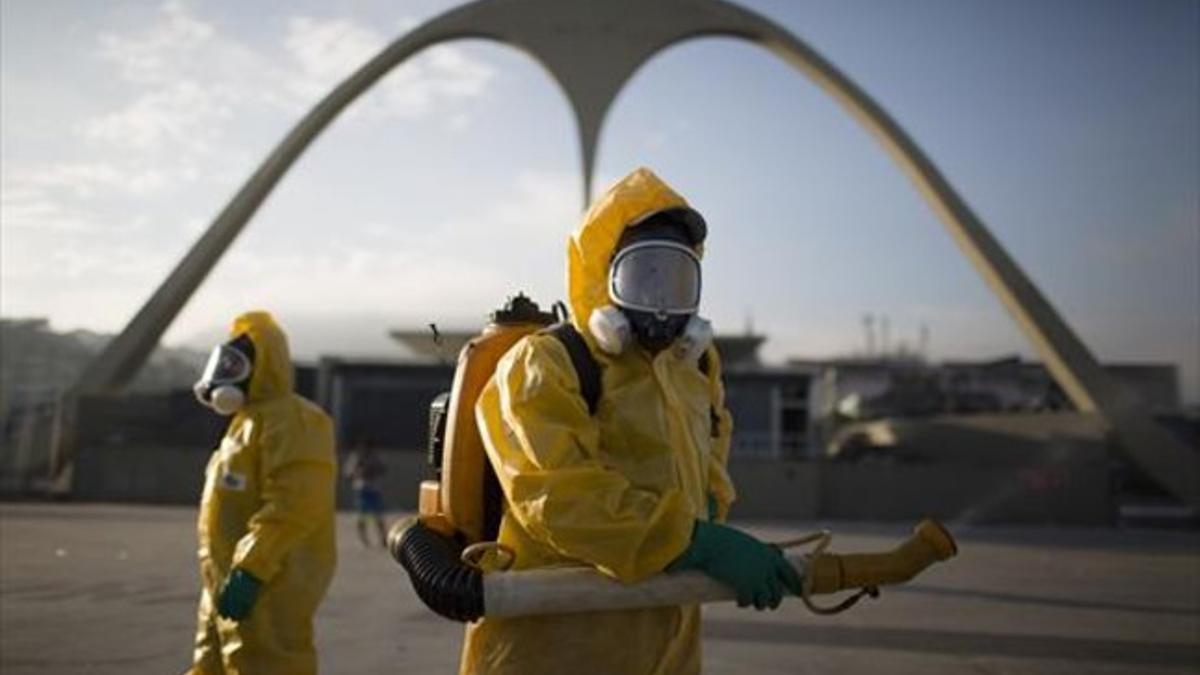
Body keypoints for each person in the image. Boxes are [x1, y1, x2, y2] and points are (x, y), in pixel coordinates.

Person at [462, 168, 801, 674]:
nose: (662, 303)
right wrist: (696, 543)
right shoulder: (547, 364)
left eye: (678, 279)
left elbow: (710, 476)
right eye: (645, 275)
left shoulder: (695, 371)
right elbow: (557, 497)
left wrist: (708, 529)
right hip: (554, 646)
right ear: (603, 276)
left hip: (668, 642)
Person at [187, 311, 337, 675]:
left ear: (263, 365)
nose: (224, 372)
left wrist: (252, 569)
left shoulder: (294, 421)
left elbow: (295, 504)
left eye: (236, 364)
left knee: (267, 664)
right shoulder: (243, 424)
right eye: (223, 362)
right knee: (211, 662)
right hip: (225, 580)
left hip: (270, 583)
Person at [343, 441, 389, 547]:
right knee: (362, 517)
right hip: (363, 490)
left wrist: (373, 470)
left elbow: (383, 469)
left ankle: (383, 538)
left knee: (378, 517)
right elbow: (348, 474)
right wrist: (359, 472)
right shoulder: (356, 458)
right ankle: (364, 540)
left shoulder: (375, 457)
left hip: (374, 490)